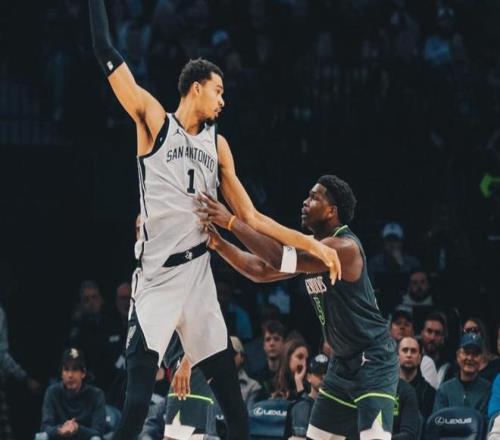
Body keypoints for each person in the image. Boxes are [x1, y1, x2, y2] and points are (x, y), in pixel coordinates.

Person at [88, 1, 340, 438]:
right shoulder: (154, 122)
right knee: (135, 404)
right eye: (218, 90)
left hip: (198, 278)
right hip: (156, 280)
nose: (223, 100)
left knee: (235, 409)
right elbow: (104, 48)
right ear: (196, 87)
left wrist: (312, 243)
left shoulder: (217, 145)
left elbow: (251, 216)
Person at [199, 174, 400, 440]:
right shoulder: (316, 250)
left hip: (373, 360)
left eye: (314, 197)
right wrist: (218, 244)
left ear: (331, 211)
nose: (305, 202)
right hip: (341, 364)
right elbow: (260, 270)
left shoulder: (344, 247)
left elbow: (278, 257)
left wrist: (231, 222)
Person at [38, 348, 106, 440]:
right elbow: (45, 427)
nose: (70, 375)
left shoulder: (96, 395)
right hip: (59, 438)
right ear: (61, 374)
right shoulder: (52, 392)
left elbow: (99, 432)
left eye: (75, 369)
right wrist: (60, 430)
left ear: (83, 373)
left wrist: (77, 428)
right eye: (66, 369)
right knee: (40, 437)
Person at [433, 333, 491, 416]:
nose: (470, 358)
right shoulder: (444, 390)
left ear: (482, 359)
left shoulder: (488, 390)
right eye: (466, 353)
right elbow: (437, 420)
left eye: (475, 354)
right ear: (458, 356)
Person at [283, 354, 329, 440]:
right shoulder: (298, 407)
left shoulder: (338, 407)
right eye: (318, 373)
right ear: (309, 377)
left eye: (326, 374)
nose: (323, 377)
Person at [398, 336, 435, 419]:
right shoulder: (387, 389)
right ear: (397, 356)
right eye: (405, 350)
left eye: (413, 351)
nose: (409, 355)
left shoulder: (430, 393)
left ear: (419, 358)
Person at [252, 320, 286, 397]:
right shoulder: (257, 379)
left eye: (276, 339)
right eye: (268, 339)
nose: (272, 343)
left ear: (283, 344)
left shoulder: (290, 376)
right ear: (264, 346)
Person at [462, 317, 500, 382]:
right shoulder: (459, 365)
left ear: (482, 333)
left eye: (473, 330)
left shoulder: (496, 363)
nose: (470, 335)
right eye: (466, 332)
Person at [420, 312, 450, 390]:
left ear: (443, 337)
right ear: (422, 333)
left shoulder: (449, 368)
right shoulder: (413, 360)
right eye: (429, 331)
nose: (432, 337)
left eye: (437, 333)